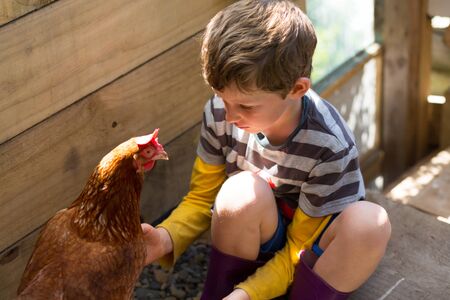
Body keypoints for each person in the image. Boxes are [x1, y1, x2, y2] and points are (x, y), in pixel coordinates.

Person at [141, 1, 391, 299]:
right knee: (239, 192)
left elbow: (297, 250)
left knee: (369, 224)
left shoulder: (329, 146)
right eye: (221, 97)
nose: (230, 115)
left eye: (245, 106)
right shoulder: (221, 113)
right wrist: (164, 238)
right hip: (263, 233)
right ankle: (222, 292)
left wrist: (247, 294)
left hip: (310, 249)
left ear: (297, 89)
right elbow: (200, 199)